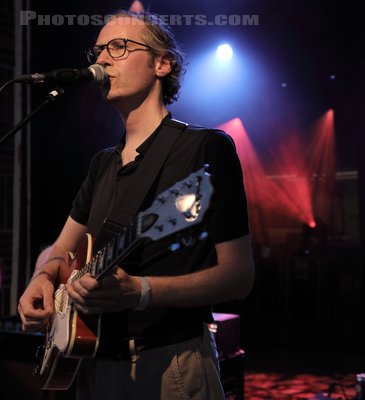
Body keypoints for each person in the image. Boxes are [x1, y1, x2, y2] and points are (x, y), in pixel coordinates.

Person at [17, 10, 254, 400]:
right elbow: (58, 250)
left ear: (163, 64)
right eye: (97, 50)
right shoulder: (102, 164)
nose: (102, 59)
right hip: (93, 368)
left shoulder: (204, 149)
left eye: (119, 47)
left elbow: (239, 277)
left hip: (170, 366)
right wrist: (42, 277)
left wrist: (141, 290)